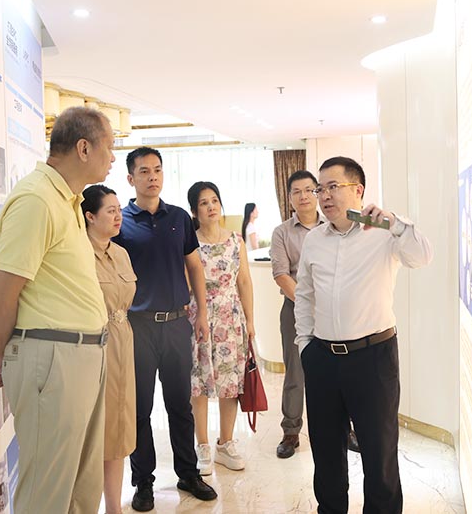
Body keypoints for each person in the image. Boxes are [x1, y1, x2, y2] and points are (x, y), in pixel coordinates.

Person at [0, 106, 115, 514]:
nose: (113, 157)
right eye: (109, 147)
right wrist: (3, 356)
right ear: (83, 148)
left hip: (82, 356)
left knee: (81, 490)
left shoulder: (67, 201)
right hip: (52, 357)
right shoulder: (36, 199)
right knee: (47, 494)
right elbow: (0, 297)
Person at [295, 156, 432, 514]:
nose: (324, 196)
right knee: (326, 452)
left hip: (373, 358)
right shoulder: (314, 239)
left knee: (379, 451)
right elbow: (304, 294)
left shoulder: (384, 232)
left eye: (333, 187)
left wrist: (396, 223)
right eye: (320, 189)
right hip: (323, 358)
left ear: (358, 190)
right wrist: (305, 345)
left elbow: (422, 256)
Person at [113, 147, 217, 512]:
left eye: (157, 170)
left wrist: (201, 314)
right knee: (140, 409)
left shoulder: (179, 218)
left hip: (176, 324)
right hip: (137, 327)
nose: (152, 176)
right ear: (131, 178)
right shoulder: (120, 221)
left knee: (180, 405)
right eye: (144, 171)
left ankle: (188, 473)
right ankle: (143, 482)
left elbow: (195, 267)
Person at [186, 181, 255, 474]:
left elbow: (244, 281)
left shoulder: (235, 240)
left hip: (231, 316)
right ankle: (202, 446)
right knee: (199, 383)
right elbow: (187, 283)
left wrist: (250, 321)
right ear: (194, 211)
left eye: (214, 200)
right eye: (203, 203)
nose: (211, 206)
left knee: (231, 383)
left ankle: (225, 443)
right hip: (199, 317)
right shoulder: (189, 242)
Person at [82, 185, 137, 514]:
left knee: (118, 429)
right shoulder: (76, 254)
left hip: (122, 344)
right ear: (90, 216)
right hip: (91, 347)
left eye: (119, 210)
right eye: (110, 211)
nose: (118, 216)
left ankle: (114, 507)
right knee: (92, 431)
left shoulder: (121, 253)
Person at [269, 170, 325, 459]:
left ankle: (342, 428)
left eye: (308, 190)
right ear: (289, 197)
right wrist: (308, 304)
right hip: (294, 310)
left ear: (317, 192)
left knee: (337, 372)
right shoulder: (282, 232)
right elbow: (281, 274)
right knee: (295, 371)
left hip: (334, 310)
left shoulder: (334, 225)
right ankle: (291, 432)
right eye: (296, 191)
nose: (303, 196)